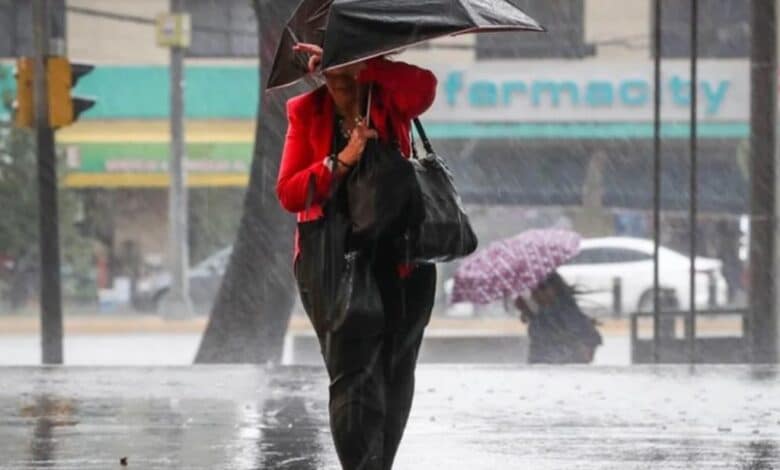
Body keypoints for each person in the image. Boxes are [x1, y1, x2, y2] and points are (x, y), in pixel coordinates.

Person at [276, 43, 437, 470]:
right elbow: (291, 193)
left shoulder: (387, 95)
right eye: (331, 70)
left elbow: (425, 88)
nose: (339, 80)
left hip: (402, 256)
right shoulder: (305, 111)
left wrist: (367, 62)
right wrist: (342, 160)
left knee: (396, 371)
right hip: (332, 258)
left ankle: (379, 463)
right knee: (352, 375)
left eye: (344, 67)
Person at [514, 272, 602, 364]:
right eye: (533, 290)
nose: (538, 293)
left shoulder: (566, 311)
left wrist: (581, 351)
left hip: (563, 366)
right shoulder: (539, 313)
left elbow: (591, 339)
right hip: (543, 366)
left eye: (542, 288)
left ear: (555, 289)